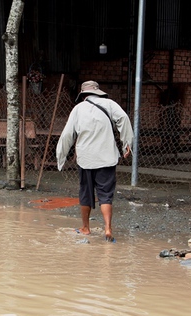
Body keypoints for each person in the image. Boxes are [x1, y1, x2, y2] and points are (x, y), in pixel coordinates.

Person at [56, 80, 134, 243]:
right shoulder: (110, 104)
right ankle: (107, 229)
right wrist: (127, 143)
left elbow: (67, 135)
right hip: (107, 158)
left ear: (83, 95)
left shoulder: (78, 109)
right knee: (106, 195)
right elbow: (124, 119)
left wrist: (61, 157)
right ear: (98, 92)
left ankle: (85, 228)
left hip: (86, 159)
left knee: (86, 192)